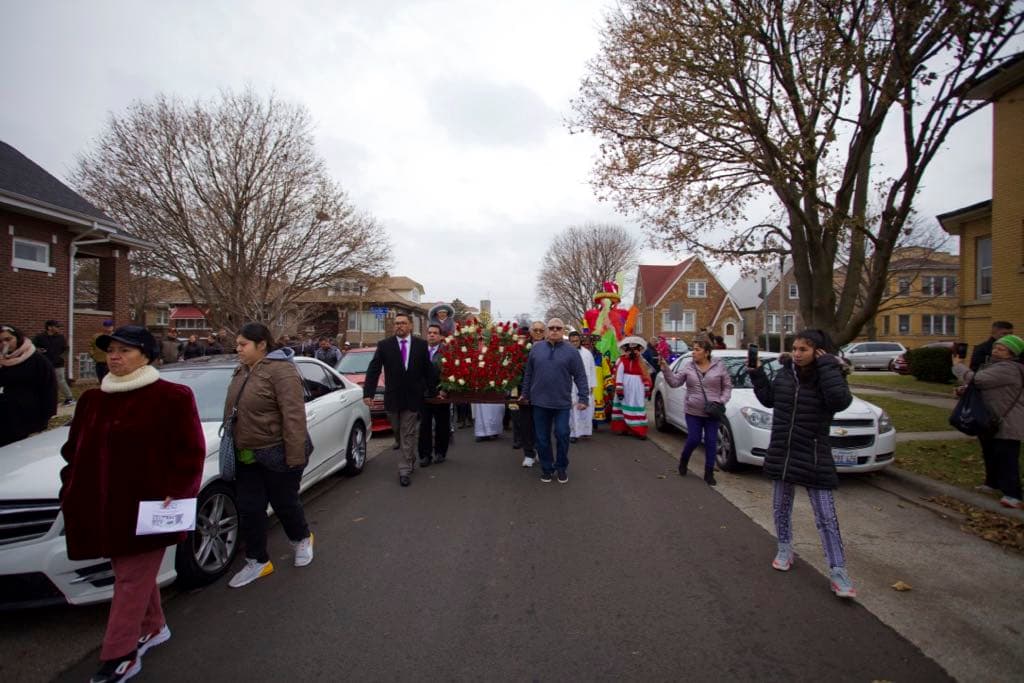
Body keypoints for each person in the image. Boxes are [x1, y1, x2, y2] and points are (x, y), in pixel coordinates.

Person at [59, 325, 204, 682]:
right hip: (99, 508)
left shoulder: (172, 396)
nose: (114, 356)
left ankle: (119, 655)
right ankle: (154, 627)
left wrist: (178, 489)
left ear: (147, 355)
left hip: (148, 510)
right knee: (132, 576)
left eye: (125, 349)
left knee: (128, 579)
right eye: (111, 349)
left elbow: (191, 451)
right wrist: (70, 488)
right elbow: (72, 451)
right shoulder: (93, 400)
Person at [747, 328, 857, 599]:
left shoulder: (830, 376)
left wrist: (828, 367)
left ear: (818, 352)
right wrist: (757, 373)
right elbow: (769, 399)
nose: (796, 354)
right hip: (784, 452)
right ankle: (784, 547)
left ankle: (838, 570)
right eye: (794, 349)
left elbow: (840, 402)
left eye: (803, 350)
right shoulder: (786, 372)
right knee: (781, 507)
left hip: (815, 455)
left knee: (826, 517)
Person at [223, 322, 315, 588]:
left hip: (277, 453)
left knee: (285, 503)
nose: (237, 349)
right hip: (246, 455)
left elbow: (294, 416)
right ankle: (258, 560)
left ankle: (301, 539)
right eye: (237, 344)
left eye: (243, 345)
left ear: (261, 344)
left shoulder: (281, 371)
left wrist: (295, 457)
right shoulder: (241, 370)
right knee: (250, 509)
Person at [953, 333, 1024, 509]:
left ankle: (1013, 494)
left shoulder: (1009, 368)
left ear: (1012, 353)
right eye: (996, 347)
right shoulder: (994, 366)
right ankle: (992, 483)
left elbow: (976, 379)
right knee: (990, 452)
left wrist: (959, 367)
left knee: (1006, 457)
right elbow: (981, 387)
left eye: (1002, 349)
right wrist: (964, 390)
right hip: (989, 418)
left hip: (1007, 420)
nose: (997, 351)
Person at [363, 313, 435, 487]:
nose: (399, 326)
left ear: (410, 326)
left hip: (413, 397)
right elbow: (374, 369)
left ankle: (404, 469)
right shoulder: (384, 345)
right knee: (397, 431)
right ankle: (409, 456)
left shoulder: (421, 345)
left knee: (407, 432)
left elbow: (428, 371)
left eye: (402, 323)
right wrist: (368, 393)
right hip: (393, 397)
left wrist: (432, 391)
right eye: (396, 323)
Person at [521, 318, 589, 484]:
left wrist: (583, 397)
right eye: (551, 328)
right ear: (546, 331)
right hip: (539, 402)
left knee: (562, 434)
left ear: (563, 330)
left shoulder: (571, 352)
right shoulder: (536, 349)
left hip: (562, 403)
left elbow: (580, 376)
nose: (554, 330)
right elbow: (529, 374)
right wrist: (525, 393)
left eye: (558, 328)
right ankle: (546, 468)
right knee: (542, 438)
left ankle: (561, 467)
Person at [659, 339, 732, 485]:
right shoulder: (688, 367)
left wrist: (721, 400)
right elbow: (674, 383)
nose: (694, 352)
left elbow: (727, 386)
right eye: (693, 349)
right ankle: (684, 461)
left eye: (697, 349)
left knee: (711, 442)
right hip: (693, 411)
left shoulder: (719, 366)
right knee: (694, 439)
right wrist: (666, 369)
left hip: (712, 412)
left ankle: (709, 472)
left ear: (706, 352)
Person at [0, 324, 57, 447]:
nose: (4, 344)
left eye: (8, 339)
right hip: (4, 417)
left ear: (18, 338)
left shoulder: (36, 360)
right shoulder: (2, 361)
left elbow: (49, 389)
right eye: (0, 341)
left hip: (27, 417)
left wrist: (43, 421)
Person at [418, 323, 451, 465]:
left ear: (441, 336)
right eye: (429, 332)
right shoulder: (420, 351)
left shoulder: (447, 351)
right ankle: (425, 455)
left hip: (441, 395)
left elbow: (451, 373)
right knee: (424, 425)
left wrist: (444, 390)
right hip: (424, 395)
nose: (431, 335)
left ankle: (440, 452)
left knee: (442, 425)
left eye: (435, 333)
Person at [611, 337, 653, 439]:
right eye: (629, 350)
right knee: (623, 407)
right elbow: (618, 375)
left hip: (637, 388)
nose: (632, 352)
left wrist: (647, 388)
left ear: (639, 351)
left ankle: (639, 430)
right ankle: (624, 428)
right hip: (625, 387)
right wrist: (619, 389)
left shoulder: (642, 362)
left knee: (637, 406)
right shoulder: (621, 360)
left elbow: (647, 375)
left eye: (635, 350)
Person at [511, 325, 539, 467]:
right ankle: (529, 454)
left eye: (524, 337)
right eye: (519, 337)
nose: (521, 340)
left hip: (541, 393)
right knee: (525, 423)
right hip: (523, 392)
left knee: (541, 424)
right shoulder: (516, 351)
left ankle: (540, 449)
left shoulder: (541, 348)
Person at [33, 319, 74, 406]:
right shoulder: (40, 337)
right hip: (45, 364)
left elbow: (66, 349)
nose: (59, 328)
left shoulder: (61, 337)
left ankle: (69, 398)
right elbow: (31, 347)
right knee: (45, 381)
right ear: (49, 327)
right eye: (57, 326)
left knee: (61, 381)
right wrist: (38, 350)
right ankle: (46, 400)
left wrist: (62, 358)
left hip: (58, 364)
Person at [473, 338, 505, 442]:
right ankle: (482, 433)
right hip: (482, 385)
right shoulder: (477, 354)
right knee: (482, 410)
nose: (482, 345)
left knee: (495, 409)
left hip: (494, 385)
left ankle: (494, 431)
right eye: (481, 343)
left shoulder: (496, 354)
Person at [568, 331, 597, 442]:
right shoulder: (566, 353)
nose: (574, 343)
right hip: (571, 385)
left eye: (576, 341)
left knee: (586, 409)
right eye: (572, 341)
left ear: (580, 340)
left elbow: (592, 369)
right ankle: (573, 433)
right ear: (569, 342)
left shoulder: (587, 353)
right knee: (573, 409)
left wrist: (592, 385)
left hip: (586, 384)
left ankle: (585, 431)